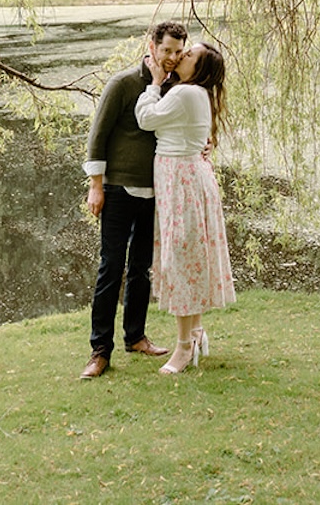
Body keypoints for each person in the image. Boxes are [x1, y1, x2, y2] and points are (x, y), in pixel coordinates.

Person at [79, 20, 186, 378]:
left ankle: (136, 336)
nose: (171, 58)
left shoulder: (175, 88)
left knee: (141, 269)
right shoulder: (123, 83)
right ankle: (100, 351)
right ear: (152, 46)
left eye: (178, 52)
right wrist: (96, 185)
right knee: (111, 268)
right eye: (167, 50)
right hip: (118, 190)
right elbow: (98, 136)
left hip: (156, 190)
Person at [135, 40, 236, 373]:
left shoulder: (184, 93)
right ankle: (194, 333)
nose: (180, 56)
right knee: (188, 257)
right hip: (185, 177)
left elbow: (146, 119)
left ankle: (182, 347)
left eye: (188, 54)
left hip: (181, 180)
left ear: (200, 68)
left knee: (181, 259)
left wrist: (152, 84)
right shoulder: (193, 93)